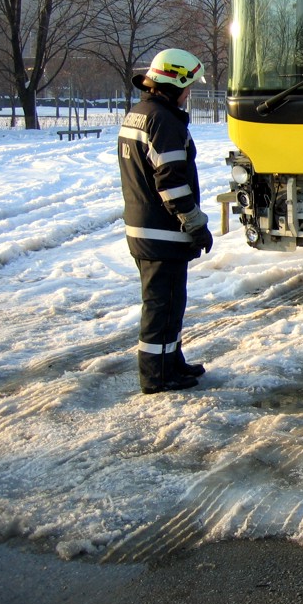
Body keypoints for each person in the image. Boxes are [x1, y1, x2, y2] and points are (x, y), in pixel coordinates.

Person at [118, 48, 213, 395]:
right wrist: (195, 223)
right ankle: (157, 375)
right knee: (161, 306)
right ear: (175, 84)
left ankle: (171, 362)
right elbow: (171, 183)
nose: (189, 93)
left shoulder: (139, 114)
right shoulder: (164, 121)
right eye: (188, 86)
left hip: (145, 227)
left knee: (169, 303)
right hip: (163, 232)